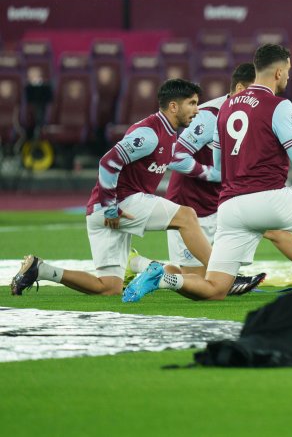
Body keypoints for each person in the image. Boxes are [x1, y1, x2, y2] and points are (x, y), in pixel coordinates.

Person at [121, 44, 292, 302]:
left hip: (229, 207)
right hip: (250, 201)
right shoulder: (279, 105)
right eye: (287, 71)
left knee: (214, 288)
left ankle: (163, 278)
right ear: (277, 72)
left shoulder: (224, 109)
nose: (288, 76)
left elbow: (219, 165)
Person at [11, 79, 209, 296]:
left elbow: (172, 161)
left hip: (99, 211)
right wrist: (110, 207)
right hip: (118, 204)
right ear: (173, 106)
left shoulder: (168, 132)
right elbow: (108, 161)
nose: (197, 110)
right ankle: (223, 272)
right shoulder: (150, 133)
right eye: (191, 103)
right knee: (187, 216)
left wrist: (209, 172)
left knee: (108, 287)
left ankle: (42, 270)